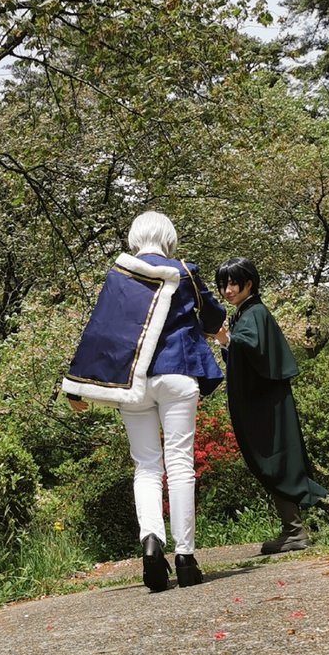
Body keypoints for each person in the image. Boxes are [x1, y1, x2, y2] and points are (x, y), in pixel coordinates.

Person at [62, 211, 226, 592]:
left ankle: (151, 542)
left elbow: (100, 332)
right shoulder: (183, 271)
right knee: (180, 464)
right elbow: (212, 317)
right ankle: (185, 558)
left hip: (133, 380)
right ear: (169, 237)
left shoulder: (121, 276)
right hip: (178, 373)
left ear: (135, 238)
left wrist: (76, 385)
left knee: (147, 466)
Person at [214, 257, 329, 554]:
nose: (227, 290)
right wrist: (228, 342)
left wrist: (226, 339)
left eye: (233, 283)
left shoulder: (254, 313)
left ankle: (303, 524)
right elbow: (245, 355)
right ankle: (304, 523)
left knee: (275, 464)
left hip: (266, 404)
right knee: (275, 464)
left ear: (249, 283)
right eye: (223, 285)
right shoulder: (246, 313)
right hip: (264, 402)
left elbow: (251, 349)